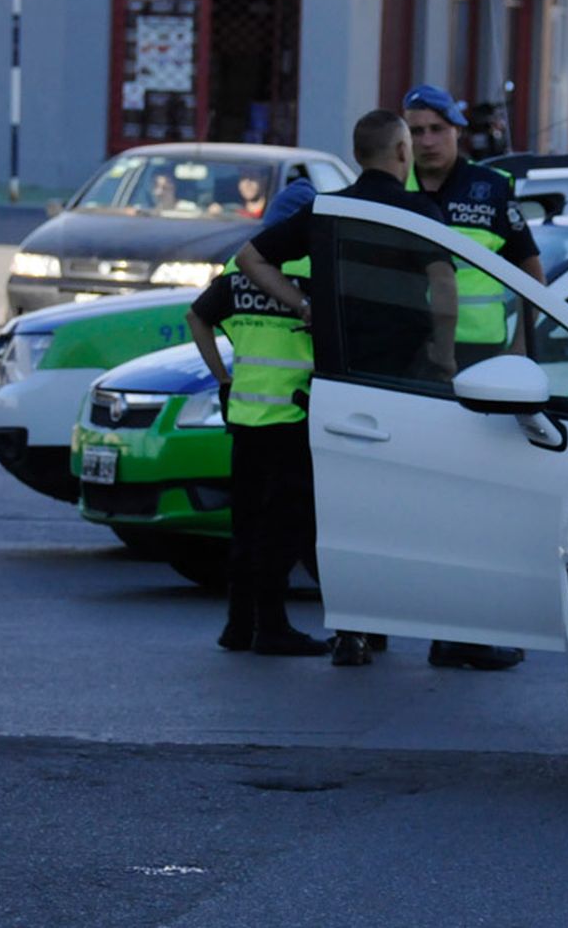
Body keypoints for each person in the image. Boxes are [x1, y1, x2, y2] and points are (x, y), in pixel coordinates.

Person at [188, 110, 451, 660]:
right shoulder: (417, 211)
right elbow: (443, 283)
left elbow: (249, 258)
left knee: (336, 512)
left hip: (334, 386)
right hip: (404, 385)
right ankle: (389, 624)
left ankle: (351, 630)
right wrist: (443, 354)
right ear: (401, 152)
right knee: (394, 510)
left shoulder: (327, 212)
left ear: (358, 155)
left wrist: (304, 305)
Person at [401, 83, 542, 671]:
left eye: (437, 128)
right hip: (405, 361)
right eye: (415, 130)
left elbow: (529, 269)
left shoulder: (490, 188)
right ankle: (372, 623)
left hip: (482, 363)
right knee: (405, 495)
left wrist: (520, 345)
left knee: (468, 497)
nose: (427, 140)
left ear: (458, 130)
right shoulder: (389, 187)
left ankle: (461, 631)